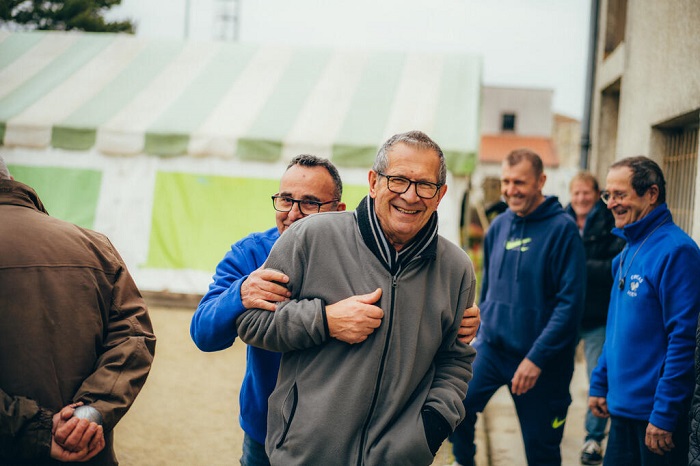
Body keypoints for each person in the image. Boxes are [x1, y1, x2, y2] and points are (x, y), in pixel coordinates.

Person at [191, 153, 481, 466]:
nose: (293, 213)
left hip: (359, 440)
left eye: (310, 203)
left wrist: (446, 308)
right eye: (285, 199)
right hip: (267, 427)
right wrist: (240, 293)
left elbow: (435, 343)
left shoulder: (355, 252)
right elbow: (205, 335)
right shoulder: (251, 253)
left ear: (337, 210)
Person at [0, 156, 157, 465]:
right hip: (88, 451)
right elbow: (134, 338)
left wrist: (36, 426)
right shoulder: (94, 245)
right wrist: (89, 414)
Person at [450, 148, 586, 466]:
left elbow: (570, 306)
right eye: (506, 181)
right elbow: (489, 289)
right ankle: (463, 461)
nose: (510, 190)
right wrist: (480, 334)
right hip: (494, 350)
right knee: (455, 406)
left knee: (541, 450)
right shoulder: (498, 227)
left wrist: (536, 359)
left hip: (543, 363)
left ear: (541, 181)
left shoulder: (563, 230)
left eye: (519, 182)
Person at [588, 156, 700, 466]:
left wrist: (664, 413)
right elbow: (616, 327)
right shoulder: (628, 248)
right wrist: (600, 382)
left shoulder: (677, 251)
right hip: (621, 410)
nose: (611, 203)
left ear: (651, 194)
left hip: (656, 419)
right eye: (608, 195)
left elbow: (684, 340)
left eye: (620, 194)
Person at [565, 171, 625, 465]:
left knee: (597, 380)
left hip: (598, 316)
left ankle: (593, 438)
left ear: (596, 193)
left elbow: (616, 264)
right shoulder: (563, 220)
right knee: (555, 374)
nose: (580, 199)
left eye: (586, 193)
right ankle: (551, 423)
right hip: (566, 315)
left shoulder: (610, 220)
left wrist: (580, 266)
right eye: (576, 193)